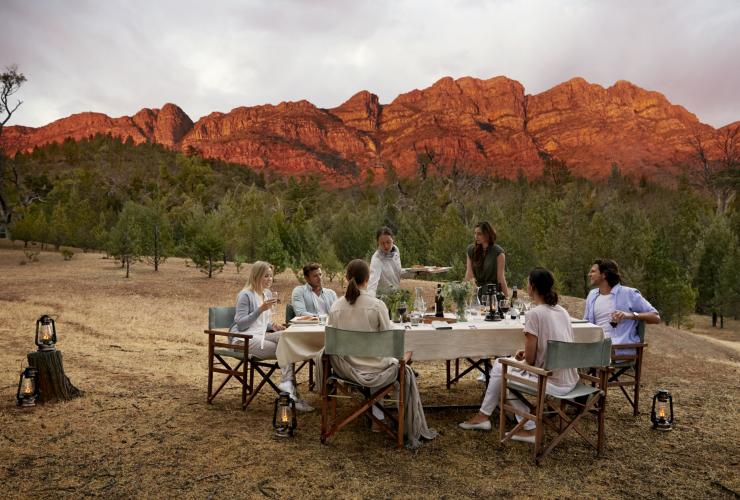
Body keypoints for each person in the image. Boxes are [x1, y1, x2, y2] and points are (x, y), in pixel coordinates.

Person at [459, 267, 578, 442]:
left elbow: (530, 360)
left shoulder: (534, 314)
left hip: (550, 380)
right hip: (570, 379)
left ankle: (523, 426)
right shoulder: (562, 311)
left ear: (532, 287)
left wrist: (525, 355)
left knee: (500, 367)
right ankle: (487, 417)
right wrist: (527, 353)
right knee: (502, 366)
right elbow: (555, 345)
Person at [327, 259, 437, 448]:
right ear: (368, 279)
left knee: (378, 359)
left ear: (346, 278)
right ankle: (380, 418)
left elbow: (332, 342)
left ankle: (376, 416)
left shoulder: (336, 306)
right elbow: (388, 343)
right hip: (377, 369)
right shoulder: (377, 305)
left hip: (346, 368)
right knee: (399, 357)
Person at [229, 261, 313, 412]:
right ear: (256, 276)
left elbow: (262, 323)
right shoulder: (245, 295)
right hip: (243, 339)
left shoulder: (266, 294)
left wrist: (272, 326)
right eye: (265, 276)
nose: (269, 279)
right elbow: (241, 324)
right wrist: (260, 309)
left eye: (271, 276)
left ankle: (289, 393)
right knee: (287, 349)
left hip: (260, 335)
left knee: (289, 336)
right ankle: (291, 397)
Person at [583, 258, 660, 346]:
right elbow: (586, 323)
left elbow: (656, 317)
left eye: (593, 271)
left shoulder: (629, 294)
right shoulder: (592, 295)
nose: (589, 274)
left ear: (604, 275)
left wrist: (629, 315)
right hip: (595, 347)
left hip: (618, 349)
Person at [465, 221, 509, 297]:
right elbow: (469, 274)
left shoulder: (498, 252)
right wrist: (463, 294)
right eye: (475, 233)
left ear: (487, 234)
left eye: (479, 234)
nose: (476, 236)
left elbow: (500, 278)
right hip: (476, 292)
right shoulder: (471, 250)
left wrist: (507, 298)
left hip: (492, 294)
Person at [367, 226, 407, 297]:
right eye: (382, 243)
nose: (386, 246)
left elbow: (398, 272)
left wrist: (416, 273)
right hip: (382, 298)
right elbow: (372, 284)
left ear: (393, 239)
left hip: (395, 296)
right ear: (378, 243)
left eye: (388, 242)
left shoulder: (396, 250)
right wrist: (370, 300)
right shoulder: (376, 259)